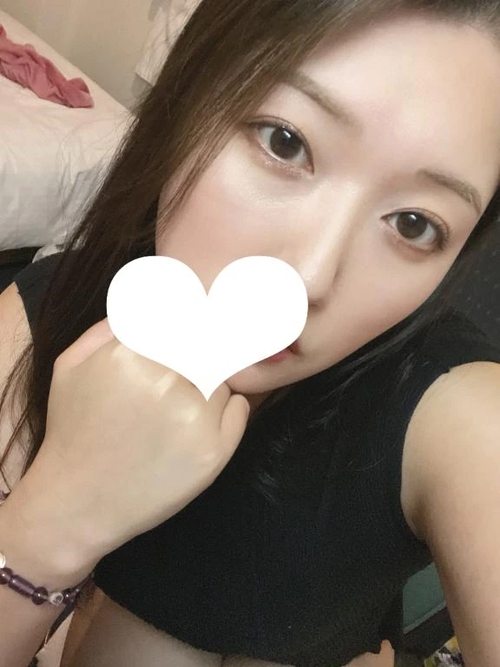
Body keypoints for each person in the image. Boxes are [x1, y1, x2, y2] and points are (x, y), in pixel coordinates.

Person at [1, 1, 500, 666]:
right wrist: (48, 525)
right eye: (284, 142)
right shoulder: (42, 312)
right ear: (189, 99)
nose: (310, 276)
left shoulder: (458, 416)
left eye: (414, 224)